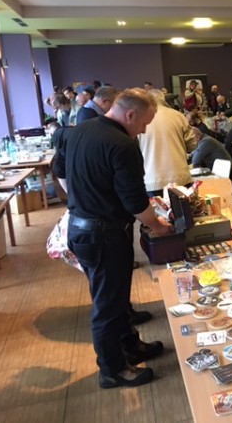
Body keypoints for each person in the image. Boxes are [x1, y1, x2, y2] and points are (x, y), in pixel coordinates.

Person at [55, 88, 173, 389]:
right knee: (108, 304)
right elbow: (135, 201)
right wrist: (157, 226)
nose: (143, 130)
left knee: (116, 298)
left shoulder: (78, 130)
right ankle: (112, 370)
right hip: (104, 234)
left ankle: (130, 347)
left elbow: (59, 170)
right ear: (130, 115)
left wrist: (81, 200)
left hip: (82, 228)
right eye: (144, 123)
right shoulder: (122, 144)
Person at [138, 89, 197, 196]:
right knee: (183, 206)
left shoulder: (139, 119)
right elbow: (192, 145)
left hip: (151, 180)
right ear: (163, 99)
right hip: (180, 177)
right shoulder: (178, 116)